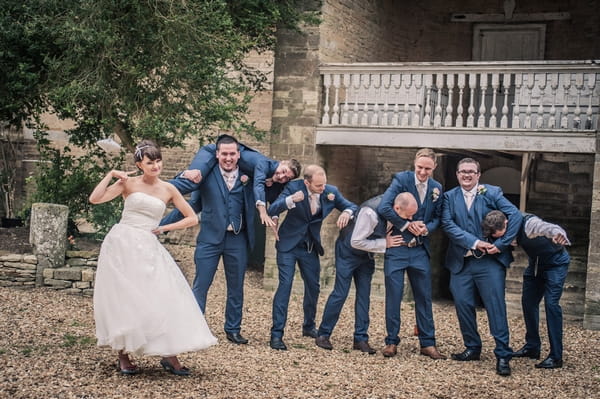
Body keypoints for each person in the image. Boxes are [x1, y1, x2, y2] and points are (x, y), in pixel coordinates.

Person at [89, 140, 217, 376]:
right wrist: (110, 175)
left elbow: (192, 218)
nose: (156, 166)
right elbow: (95, 199)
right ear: (140, 164)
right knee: (124, 297)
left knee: (160, 296)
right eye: (150, 162)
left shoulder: (168, 189)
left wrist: (164, 229)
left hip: (148, 244)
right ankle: (123, 354)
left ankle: (169, 354)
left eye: (158, 161)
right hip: (121, 242)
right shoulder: (127, 184)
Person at [441, 157, 521, 376]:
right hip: (461, 261)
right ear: (457, 174)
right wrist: (474, 242)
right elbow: (448, 225)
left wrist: (502, 244)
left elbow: (515, 215)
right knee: (463, 305)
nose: (466, 175)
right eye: (462, 171)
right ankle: (472, 347)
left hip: (489, 263)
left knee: (495, 307)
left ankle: (503, 354)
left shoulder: (491, 192)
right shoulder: (448, 197)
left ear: (478, 175)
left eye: (471, 172)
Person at [267, 165, 358, 350]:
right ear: (307, 182)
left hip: (310, 247)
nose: (323, 188)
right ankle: (276, 334)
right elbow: (273, 209)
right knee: (285, 286)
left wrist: (347, 213)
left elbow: (351, 206)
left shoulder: (330, 191)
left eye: (324, 184)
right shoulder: (293, 188)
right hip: (288, 245)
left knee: (314, 286)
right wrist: (291, 200)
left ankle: (309, 326)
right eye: (318, 186)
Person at [377, 148, 446, 360]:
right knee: (394, 295)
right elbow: (384, 207)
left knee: (424, 297)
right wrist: (406, 225)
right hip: (397, 248)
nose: (423, 172)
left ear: (434, 167)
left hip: (419, 250)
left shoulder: (437, 188)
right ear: (414, 164)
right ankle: (391, 341)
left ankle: (428, 343)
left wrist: (427, 228)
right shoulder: (401, 180)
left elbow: (438, 217)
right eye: (419, 168)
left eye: (427, 168)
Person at [314, 194, 405, 354]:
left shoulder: (397, 206)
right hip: (348, 252)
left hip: (366, 255)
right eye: (407, 216)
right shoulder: (370, 212)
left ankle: (361, 338)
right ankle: (323, 334)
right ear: (397, 208)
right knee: (340, 292)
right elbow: (355, 241)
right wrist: (385, 243)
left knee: (364, 295)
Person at [482, 210, 571, 369]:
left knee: (551, 305)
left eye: (501, 234)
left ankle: (556, 356)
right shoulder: (502, 225)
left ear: (506, 223)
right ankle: (532, 347)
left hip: (556, 263)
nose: (501, 239)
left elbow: (548, 228)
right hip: (536, 264)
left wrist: (559, 233)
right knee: (528, 303)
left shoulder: (529, 224)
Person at [190, 135, 257, 345]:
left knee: (236, 286)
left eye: (232, 154)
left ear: (238, 154)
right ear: (217, 154)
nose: (228, 158)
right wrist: (163, 224)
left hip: (237, 238)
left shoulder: (249, 175)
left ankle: (233, 329)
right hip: (209, 238)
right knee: (201, 284)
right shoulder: (206, 174)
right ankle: (194, 326)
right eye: (224, 154)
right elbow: (193, 206)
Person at [161, 135, 301, 228]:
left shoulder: (278, 183)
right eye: (283, 171)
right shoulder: (263, 163)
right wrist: (262, 212)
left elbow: (274, 203)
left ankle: (159, 228)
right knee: (194, 180)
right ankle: (157, 189)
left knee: (194, 205)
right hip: (213, 154)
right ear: (282, 162)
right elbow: (258, 185)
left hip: (222, 170)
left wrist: (275, 216)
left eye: (286, 178)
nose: (282, 177)